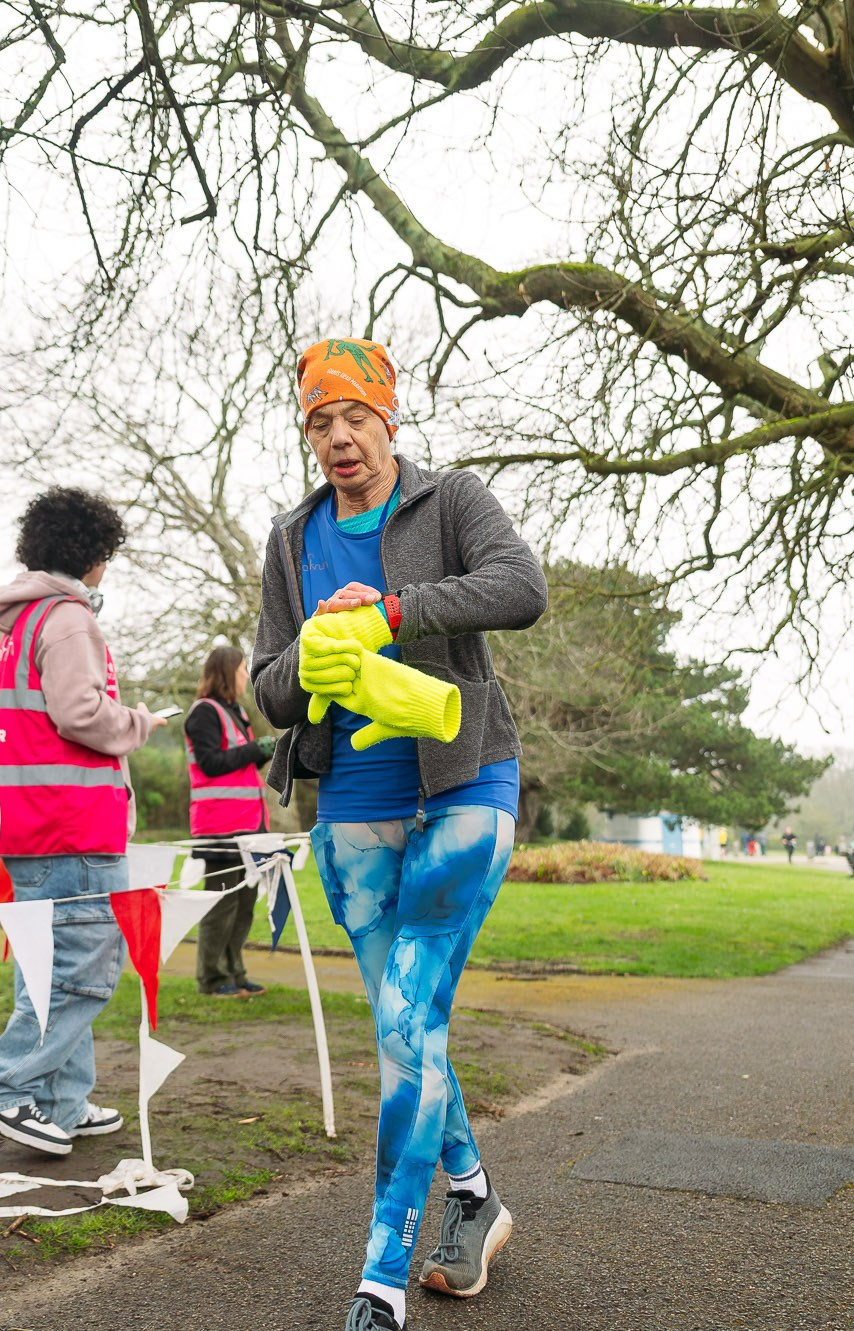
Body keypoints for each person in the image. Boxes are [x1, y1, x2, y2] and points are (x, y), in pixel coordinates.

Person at [251, 336, 547, 1331]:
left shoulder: (450, 500)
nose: (338, 439)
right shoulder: (290, 538)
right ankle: (471, 1192)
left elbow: (520, 587)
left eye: (354, 419)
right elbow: (264, 688)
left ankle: (378, 1279)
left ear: (388, 419)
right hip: (349, 808)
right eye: (318, 423)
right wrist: (310, 654)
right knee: (402, 1024)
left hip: (463, 782)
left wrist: (389, 612)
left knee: (408, 1015)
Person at [0, 487, 166, 1156]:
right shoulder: (70, 618)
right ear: (94, 553)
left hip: (29, 822)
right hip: (70, 822)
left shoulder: (26, 619)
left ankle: (60, 1099)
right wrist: (140, 723)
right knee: (85, 968)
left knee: (46, 966)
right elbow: (81, 713)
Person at [183, 643, 275, 997]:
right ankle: (212, 978)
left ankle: (235, 972)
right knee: (221, 905)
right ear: (225, 672)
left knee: (244, 904)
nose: (245, 677)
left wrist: (258, 755)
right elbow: (210, 763)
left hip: (249, 825)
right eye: (241, 670)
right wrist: (254, 751)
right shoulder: (203, 713)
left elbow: (236, 765)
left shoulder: (237, 712)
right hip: (219, 828)